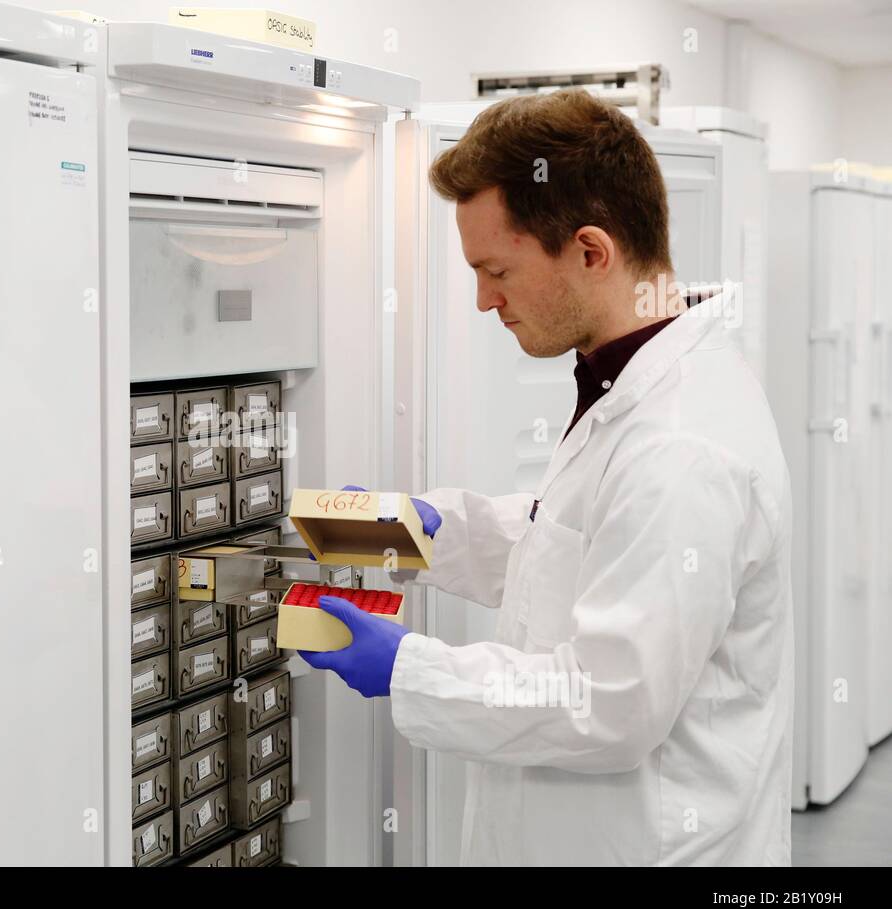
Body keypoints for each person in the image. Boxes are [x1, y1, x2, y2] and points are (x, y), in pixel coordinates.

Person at [302, 89, 794, 866]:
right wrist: (429, 534)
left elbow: (607, 703)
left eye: (496, 269)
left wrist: (411, 669)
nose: (482, 299)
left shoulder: (681, 446)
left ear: (591, 251)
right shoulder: (628, 380)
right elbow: (581, 545)